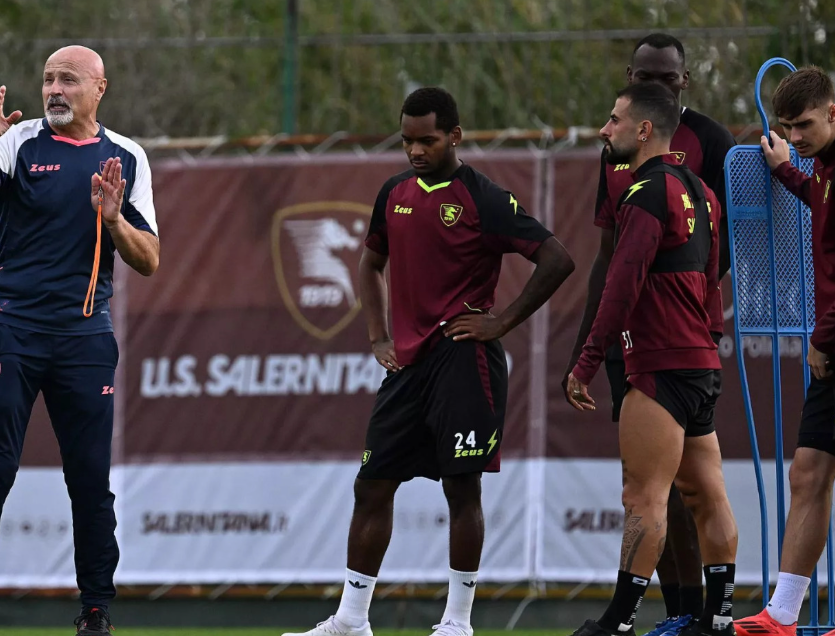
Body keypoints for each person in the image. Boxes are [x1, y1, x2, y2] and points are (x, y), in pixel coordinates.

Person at [284, 88, 574, 636]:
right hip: (408, 366)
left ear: (455, 136)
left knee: (461, 490)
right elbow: (370, 265)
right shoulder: (393, 192)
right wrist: (377, 337)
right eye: (407, 140)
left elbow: (558, 258)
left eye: (428, 140)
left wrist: (501, 321)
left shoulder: (482, 197)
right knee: (372, 486)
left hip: (466, 362)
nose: (415, 150)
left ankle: (456, 623)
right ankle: (351, 621)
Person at [0, 45, 159, 636]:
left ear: (100, 88)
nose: (54, 89)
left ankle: (95, 611)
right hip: (11, 326)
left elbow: (150, 261)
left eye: (68, 79)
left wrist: (115, 220)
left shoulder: (127, 157)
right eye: (47, 79)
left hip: (85, 336)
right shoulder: (17, 143)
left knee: (90, 480)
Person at [562, 33, 736, 636]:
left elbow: (620, 282)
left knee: (643, 497)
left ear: (642, 131)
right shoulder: (705, 194)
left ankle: (618, 620)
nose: (604, 129)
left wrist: (586, 361)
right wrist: (707, 337)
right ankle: (716, 620)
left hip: (658, 364)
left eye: (613, 120)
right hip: (699, 362)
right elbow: (712, 283)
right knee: (708, 494)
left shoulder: (644, 191)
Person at [733, 67, 835, 636]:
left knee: (812, 472)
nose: (796, 137)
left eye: (805, 125)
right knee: (808, 473)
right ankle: (783, 614)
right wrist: (784, 169)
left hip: (832, 342)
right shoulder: (818, 168)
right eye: (788, 128)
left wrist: (822, 338)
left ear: (833, 112)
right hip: (831, 347)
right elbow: (816, 202)